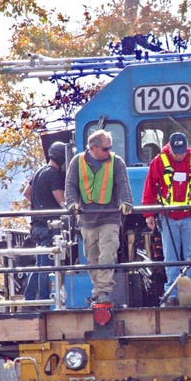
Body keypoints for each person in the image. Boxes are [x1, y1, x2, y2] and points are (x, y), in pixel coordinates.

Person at [141, 131, 191, 304]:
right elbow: (149, 189)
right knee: (170, 256)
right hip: (168, 218)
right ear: (170, 148)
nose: (180, 155)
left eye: (182, 151)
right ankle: (172, 294)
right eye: (176, 151)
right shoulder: (158, 162)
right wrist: (148, 214)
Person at [64, 130, 133, 305]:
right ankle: (98, 291)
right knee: (92, 256)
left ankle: (103, 292)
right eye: (105, 148)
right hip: (87, 219)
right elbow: (70, 186)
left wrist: (126, 202)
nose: (108, 151)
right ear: (93, 148)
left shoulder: (116, 162)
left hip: (109, 218)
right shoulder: (77, 162)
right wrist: (72, 204)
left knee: (108, 254)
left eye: (110, 148)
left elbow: (123, 184)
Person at [23, 141, 68, 301]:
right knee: (46, 265)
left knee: (40, 264)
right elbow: (61, 201)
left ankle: (29, 298)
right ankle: (43, 300)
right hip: (49, 226)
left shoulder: (39, 172)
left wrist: (39, 205)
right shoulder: (54, 175)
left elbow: (27, 193)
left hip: (37, 224)